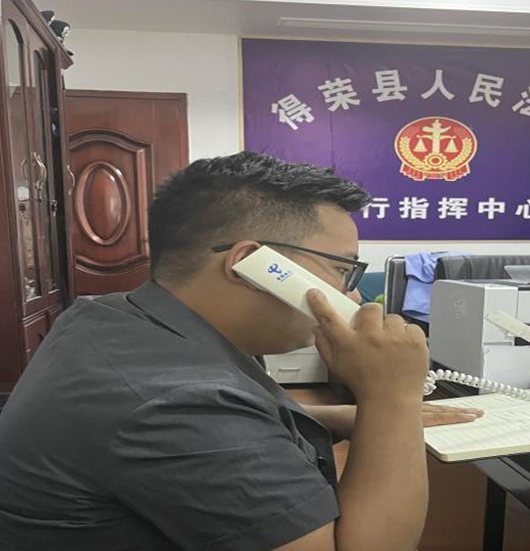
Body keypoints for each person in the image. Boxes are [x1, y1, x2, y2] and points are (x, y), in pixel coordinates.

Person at [0, 152, 482, 551]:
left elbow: (233, 412)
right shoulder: (177, 403)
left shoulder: (111, 317)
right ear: (255, 265)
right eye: (343, 271)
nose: (352, 296)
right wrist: (391, 398)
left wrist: (354, 417)